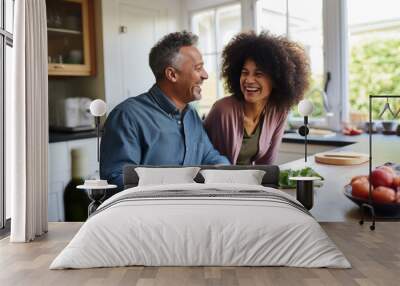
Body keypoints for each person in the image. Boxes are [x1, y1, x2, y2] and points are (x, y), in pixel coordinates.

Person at [100, 31, 229, 188]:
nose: (205, 75)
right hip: (147, 211)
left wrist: (231, 175)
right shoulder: (127, 116)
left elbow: (210, 156)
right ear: (172, 74)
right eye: (198, 68)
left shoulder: (191, 115)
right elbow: (116, 180)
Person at [204, 31, 310, 165]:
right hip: (218, 181)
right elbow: (213, 163)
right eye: (245, 73)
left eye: (258, 74)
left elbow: (266, 164)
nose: (249, 80)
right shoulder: (223, 110)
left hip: (249, 182)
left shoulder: (278, 112)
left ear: (276, 79)